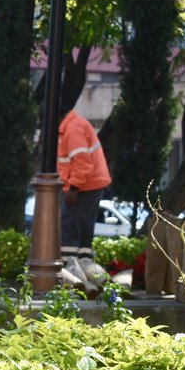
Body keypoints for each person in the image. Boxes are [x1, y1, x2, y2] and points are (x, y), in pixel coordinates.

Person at [57, 110, 112, 261]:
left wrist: (73, 188)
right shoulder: (74, 126)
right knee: (84, 229)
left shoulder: (73, 130)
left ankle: (69, 268)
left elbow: (82, 162)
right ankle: (84, 264)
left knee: (69, 226)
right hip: (92, 184)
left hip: (84, 186)